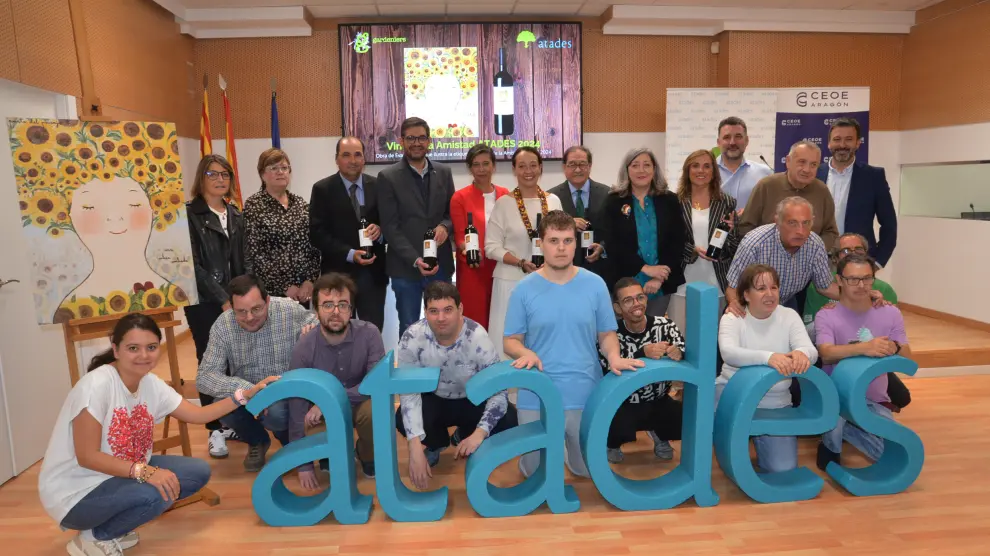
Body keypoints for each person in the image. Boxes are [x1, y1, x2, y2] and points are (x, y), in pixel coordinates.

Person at [39, 314, 277, 556]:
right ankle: (93, 537)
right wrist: (147, 472)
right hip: (77, 491)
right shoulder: (95, 387)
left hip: (118, 474)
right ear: (116, 349)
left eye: (151, 347)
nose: (144, 356)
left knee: (197, 473)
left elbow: (200, 415)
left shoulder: (150, 383)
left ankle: (112, 526)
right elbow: (87, 457)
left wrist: (246, 394)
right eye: (133, 348)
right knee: (157, 493)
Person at [504, 210, 643, 479]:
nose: (561, 248)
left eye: (567, 241)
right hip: (537, 392)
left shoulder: (595, 284)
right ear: (540, 244)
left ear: (576, 242)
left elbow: (606, 334)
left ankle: (569, 451)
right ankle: (545, 453)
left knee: (584, 471)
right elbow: (510, 341)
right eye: (553, 241)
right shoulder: (523, 289)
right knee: (535, 473)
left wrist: (614, 356)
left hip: (582, 390)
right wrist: (525, 352)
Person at [396, 281, 518, 490]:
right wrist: (414, 447)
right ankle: (436, 443)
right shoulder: (412, 337)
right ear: (425, 311)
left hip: (470, 399)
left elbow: (498, 391)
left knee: (510, 419)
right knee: (400, 418)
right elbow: (409, 392)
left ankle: (465, 434)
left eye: (448, 310)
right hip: (434, 399)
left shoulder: (477, 337)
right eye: (433, 311)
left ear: (460, 309)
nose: (441, 318)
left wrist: (479, 435)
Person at [196, 274, 318, 472]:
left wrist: (313, 331)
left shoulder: (289, 309)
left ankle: (288, 437)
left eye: (256, 309)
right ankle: (257, 440)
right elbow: (204, 376)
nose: (250, 317)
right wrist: (248, 390)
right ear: (231, 307)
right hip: (248, 394)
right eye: (241, 312)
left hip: (285, 391)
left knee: (277, 414)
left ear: (267, 300)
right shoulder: (223, 325)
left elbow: (320, 325)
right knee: (220, 403)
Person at [814, 253, 913, 470]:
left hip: (875, 399)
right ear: (839, 280)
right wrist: (864, 348)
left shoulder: (890, 312)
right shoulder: (826, 315)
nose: (861, 285)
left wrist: (893, 347)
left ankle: (851, 429)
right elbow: (826, 353)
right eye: (853, 279)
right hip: (837, 399)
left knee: (895, 456)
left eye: (867, 279)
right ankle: (836, 433)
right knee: (829, 459)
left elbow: (907, 356)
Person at [717, 264, 817, 473]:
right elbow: (729, 353)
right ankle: (738, 436)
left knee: (784, 469)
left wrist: (802, 354)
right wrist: (768, 358)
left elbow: (810, 350)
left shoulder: (788, 315)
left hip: (775, 403)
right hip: (733, 396)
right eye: (761, 288)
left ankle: (758, 438)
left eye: (774, 287)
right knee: (728, 458)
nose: (770, 294)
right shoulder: (733, 317)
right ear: (746, 294)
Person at [288, 273, 384, 489]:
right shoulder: (304, 347)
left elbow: (375, 384)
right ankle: (328, 452)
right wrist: (303, 465)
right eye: (328, 305)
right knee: (304, 417)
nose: (335, 312)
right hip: (321, 415)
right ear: (316, 309)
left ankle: (367, 454)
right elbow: (296, 406)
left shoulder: (370, 335)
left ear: (351, 309)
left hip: (357, 403)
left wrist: (328, 401)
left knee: (375, 409)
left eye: (342, 305)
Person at [184, 154, 247, 458]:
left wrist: (240, 298)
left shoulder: (235, 214)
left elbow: (244, 262)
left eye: (226, 174)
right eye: (213, 174)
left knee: (233, 362)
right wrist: (222, 298)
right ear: (201, 178)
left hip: (234, 302)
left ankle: (231, 420)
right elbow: (192, 266)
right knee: (209, 364)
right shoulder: (189, 215)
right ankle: (213, 431)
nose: (221, 179)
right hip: (204, 302)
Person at [377, 117, 456, 337]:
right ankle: (410, 372)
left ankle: (443, 371)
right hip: (405, 268)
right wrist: (415, 259)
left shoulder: (444, 172)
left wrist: (445, 226)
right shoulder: (388, 177)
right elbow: (390, 226)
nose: (416, 143)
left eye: (421, 137)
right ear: (402, 141)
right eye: (411, 138)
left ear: (429, 141)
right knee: (409, 328)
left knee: (444, 326)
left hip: (440, 265)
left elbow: (451, 214)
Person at [485, 147, 563, 359]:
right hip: (510, 281)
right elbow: (491, 247)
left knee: (543, 338)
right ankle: (507, 391)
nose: (528, 171)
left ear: (540, 168)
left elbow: (560, 240)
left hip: (547, 280)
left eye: (533, 165)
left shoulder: (553, 201)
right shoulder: (503, 204)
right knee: (509, 340)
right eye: (522, 166)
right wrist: (520, 262)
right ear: (514, 170)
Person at [601, 278, 685, 464]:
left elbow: (684, 347)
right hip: (622, 403)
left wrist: (678, 352)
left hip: (658, 398)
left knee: (681, 417)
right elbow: (605, 368)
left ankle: (659, 434)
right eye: (628, 300)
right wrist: (642, 353)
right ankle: (612, 443)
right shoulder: (609, 334)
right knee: (616, 424)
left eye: (640, 297)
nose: (636, 304)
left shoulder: (665, 325)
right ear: (617, 308)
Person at [308, 137, 388, 331]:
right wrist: (351, 254)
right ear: (336, 159)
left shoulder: (379, 186)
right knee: (337, 332)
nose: (352, 160)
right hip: (337, 276)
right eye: (346, 155)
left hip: (373, 275)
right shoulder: (322, 189)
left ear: (364, 159)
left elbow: (391, 222)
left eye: (357, 155)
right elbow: (317, 233)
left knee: (372, 331)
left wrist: (381, 231)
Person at [603, 147, 686, 316]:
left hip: (660, 285)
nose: (641, 170)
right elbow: (613, 245)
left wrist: (659, 277)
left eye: (647, 165)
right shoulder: (613, 201)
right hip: (625, 283)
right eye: (635, 165)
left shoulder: (669, 200)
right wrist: (645, 268)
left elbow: (677, 242)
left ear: (654, 169)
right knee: (625, 337)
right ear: (627, 170)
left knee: (654, 335)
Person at [725, 197, 837, 317]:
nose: (800, 231)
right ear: (777, 222)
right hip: (753, 304)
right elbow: (733, 288)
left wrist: (855, 298)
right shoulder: (754, 244)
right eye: (792, 223)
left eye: (806, 223)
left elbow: (825, 287)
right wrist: (736, 305)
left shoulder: (815, 245)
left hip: (786, 302)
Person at [670, 149, 739, 328]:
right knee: (680, 340)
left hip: (716, 284)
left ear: (714, 172)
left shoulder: (727, 203)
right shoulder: (674, 201)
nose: (701, 171)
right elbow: (669, 241)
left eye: (707, 166)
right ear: (687, 170)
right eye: (695, 166)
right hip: (681, 284)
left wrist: (730, 232)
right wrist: (691, 251)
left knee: (712, 342)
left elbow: (734, 248)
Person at [815, 117, 897, 267]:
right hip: (817, 259)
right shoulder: (814, 175)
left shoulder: (873, 176)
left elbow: (889, 225)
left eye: (849, 139)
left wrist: (877, 263)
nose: (842, 145)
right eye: (837, 139)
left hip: (858, 261)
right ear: (829, 143)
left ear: (858, 143)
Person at [243, 148, 321, 306]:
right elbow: (256, 253)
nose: (280, 172)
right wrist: (285, 286)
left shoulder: (300, 203)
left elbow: (313, 244)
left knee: (303, 331)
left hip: (303, 292)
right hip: (272, 292)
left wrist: (309, 281)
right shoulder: (254, 205)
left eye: (284, 168)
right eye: (273, 168)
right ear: (262, 174)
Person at [737, 140, 840, 251]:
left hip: (808, 262)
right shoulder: (766, 186)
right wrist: (765, 250)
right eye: (802, 162)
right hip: (767, 260)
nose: (807, 169)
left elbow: (831, 232)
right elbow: (746, 226)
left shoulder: (822, 190)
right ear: (788, 161)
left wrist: (813, 251)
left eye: (813, 165)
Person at [449, 144, 510, 329]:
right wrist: (469, 252)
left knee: (502, 319)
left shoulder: (506, 195)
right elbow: (460, 237)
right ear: (470, 168)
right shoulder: (459, 198)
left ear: (494, 166)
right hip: (473, 268)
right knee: (474, 322)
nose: (482, 169)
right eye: (476, 164)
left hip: (502, 266)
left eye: (486, 163)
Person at [547, 145, 608, 281]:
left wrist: (603, 248)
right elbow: (545, 231)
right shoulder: (551, 197)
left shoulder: (607, 194)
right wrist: (567, 223)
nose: (578, 169)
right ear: (564, 167)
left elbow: (614, 230)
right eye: (572, 165)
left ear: (590, 166)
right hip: (563, 271)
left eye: (582, 164)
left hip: (600, 271)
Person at [715, 116, 773, 210]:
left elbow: (772, 209)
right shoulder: (705, 173)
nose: (732, 142)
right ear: (718, 142)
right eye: (727, 137)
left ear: (746, 141)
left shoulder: (765, 173)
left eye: (738, 137)